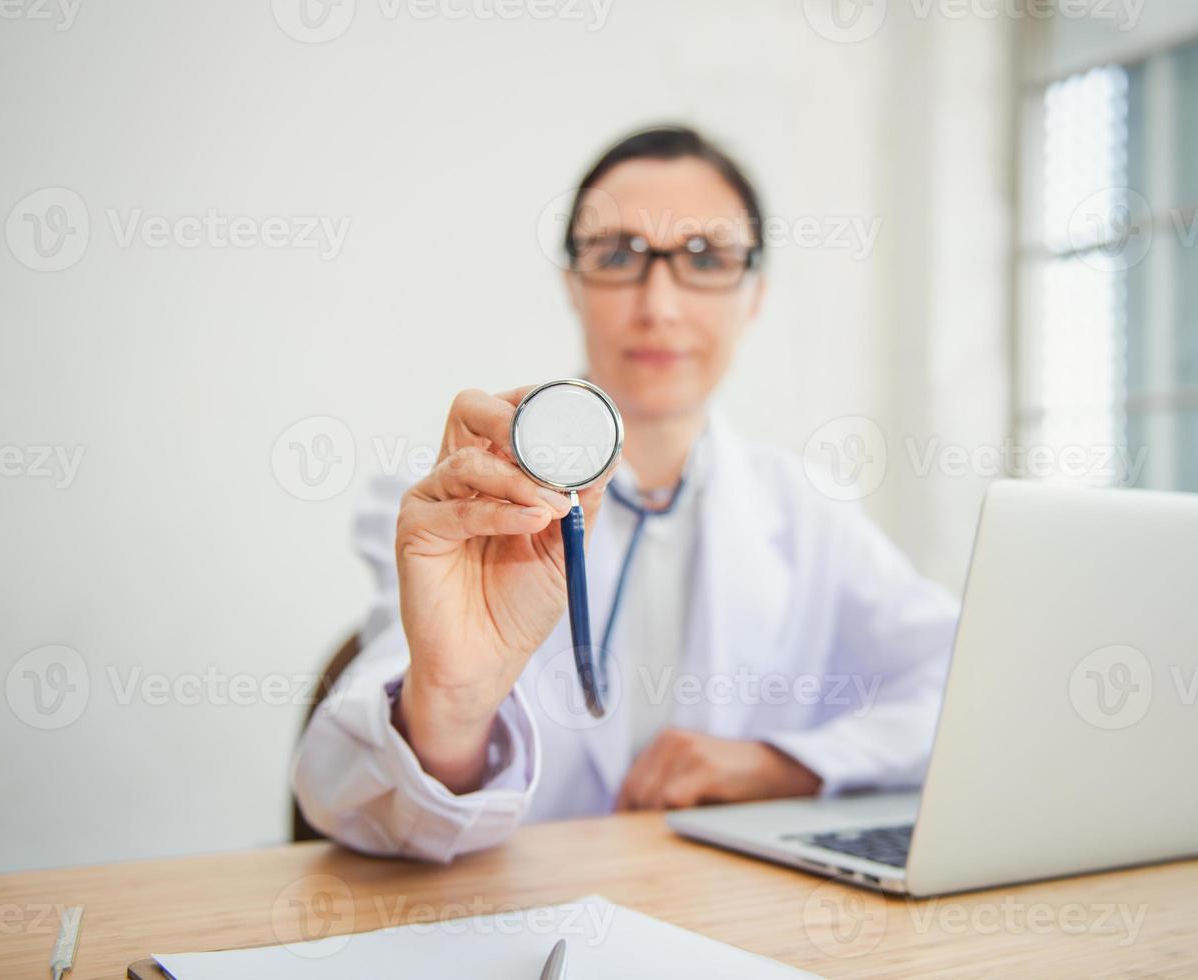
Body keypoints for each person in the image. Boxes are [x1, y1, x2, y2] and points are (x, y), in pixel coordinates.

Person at [292, 125, 958, 862]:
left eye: (705, 258)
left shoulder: (810, 511)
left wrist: (784, 764)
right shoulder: (453, 501)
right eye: (617, 256)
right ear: (572, 283)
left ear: (755, 294)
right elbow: (349, 803)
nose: (659, 305)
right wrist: (451, 703)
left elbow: (968, 690)